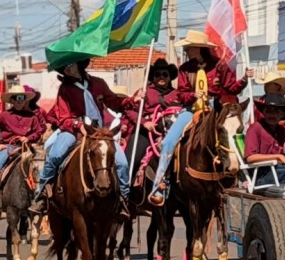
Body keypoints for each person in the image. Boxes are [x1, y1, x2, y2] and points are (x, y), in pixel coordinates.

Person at [148, 30, 252, 206]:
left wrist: (244, 79)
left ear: (198, 48)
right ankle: (159, 185)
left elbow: (231, 88)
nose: (187, 51)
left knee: (233, 136)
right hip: (191, 109)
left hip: (215, 108)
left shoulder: (219, 65)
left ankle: (244, 179)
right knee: (168, 142)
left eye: (189, 48)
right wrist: (192, 96)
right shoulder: (185, 69)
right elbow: (181, 95)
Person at [30, 59, 135, 215]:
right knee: (55, 155)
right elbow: (64, 118)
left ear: (79, 65)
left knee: (122, 163)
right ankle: (41, 194)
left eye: (69, 64)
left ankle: (123, 200)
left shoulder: (98, 83)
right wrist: (78, 125)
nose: (66, 68)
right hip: (73, 131)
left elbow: (115, 103)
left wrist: (133, 100)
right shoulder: (65, 89)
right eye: (63, 67)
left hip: (99, 132)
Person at [0, 85, 46, 170]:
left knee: (42, 164)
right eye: (16, 98)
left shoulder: (32, 116)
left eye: (22, 98)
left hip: (27, 147)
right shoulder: (3, 115)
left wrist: (28, 138)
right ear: (12, 100)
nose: (20, 101)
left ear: (25, 101)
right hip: (8, 147)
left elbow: (38, 132)